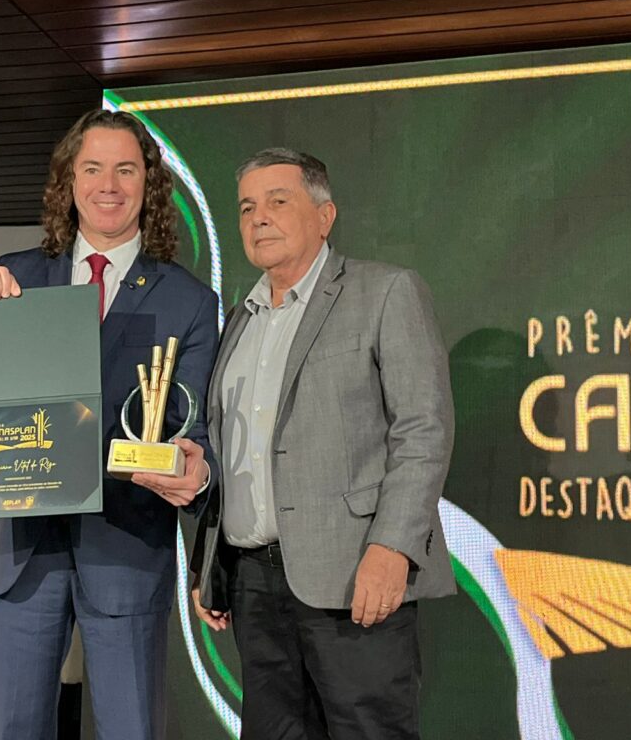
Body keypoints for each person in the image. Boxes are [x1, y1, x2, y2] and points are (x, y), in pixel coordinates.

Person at [0, 109, 219, 740]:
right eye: (93, 168)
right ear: (69, 181)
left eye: (126, 169)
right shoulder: (14, 276)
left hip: (125, 547)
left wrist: (193, 467)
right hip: (20, 549)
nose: (109, 185)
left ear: (148, 184)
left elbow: (192, 426)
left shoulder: (189, 300)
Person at [146, 147, 455, 739]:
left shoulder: (386, 292)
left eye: (277, 201)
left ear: (324, 216)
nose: (258, 217)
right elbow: (236, 454)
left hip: (353, 577)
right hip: (254, 586)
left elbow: (423, 430)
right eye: (246, 207)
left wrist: (392, 547)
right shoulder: (238, 319)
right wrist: (212, 558)